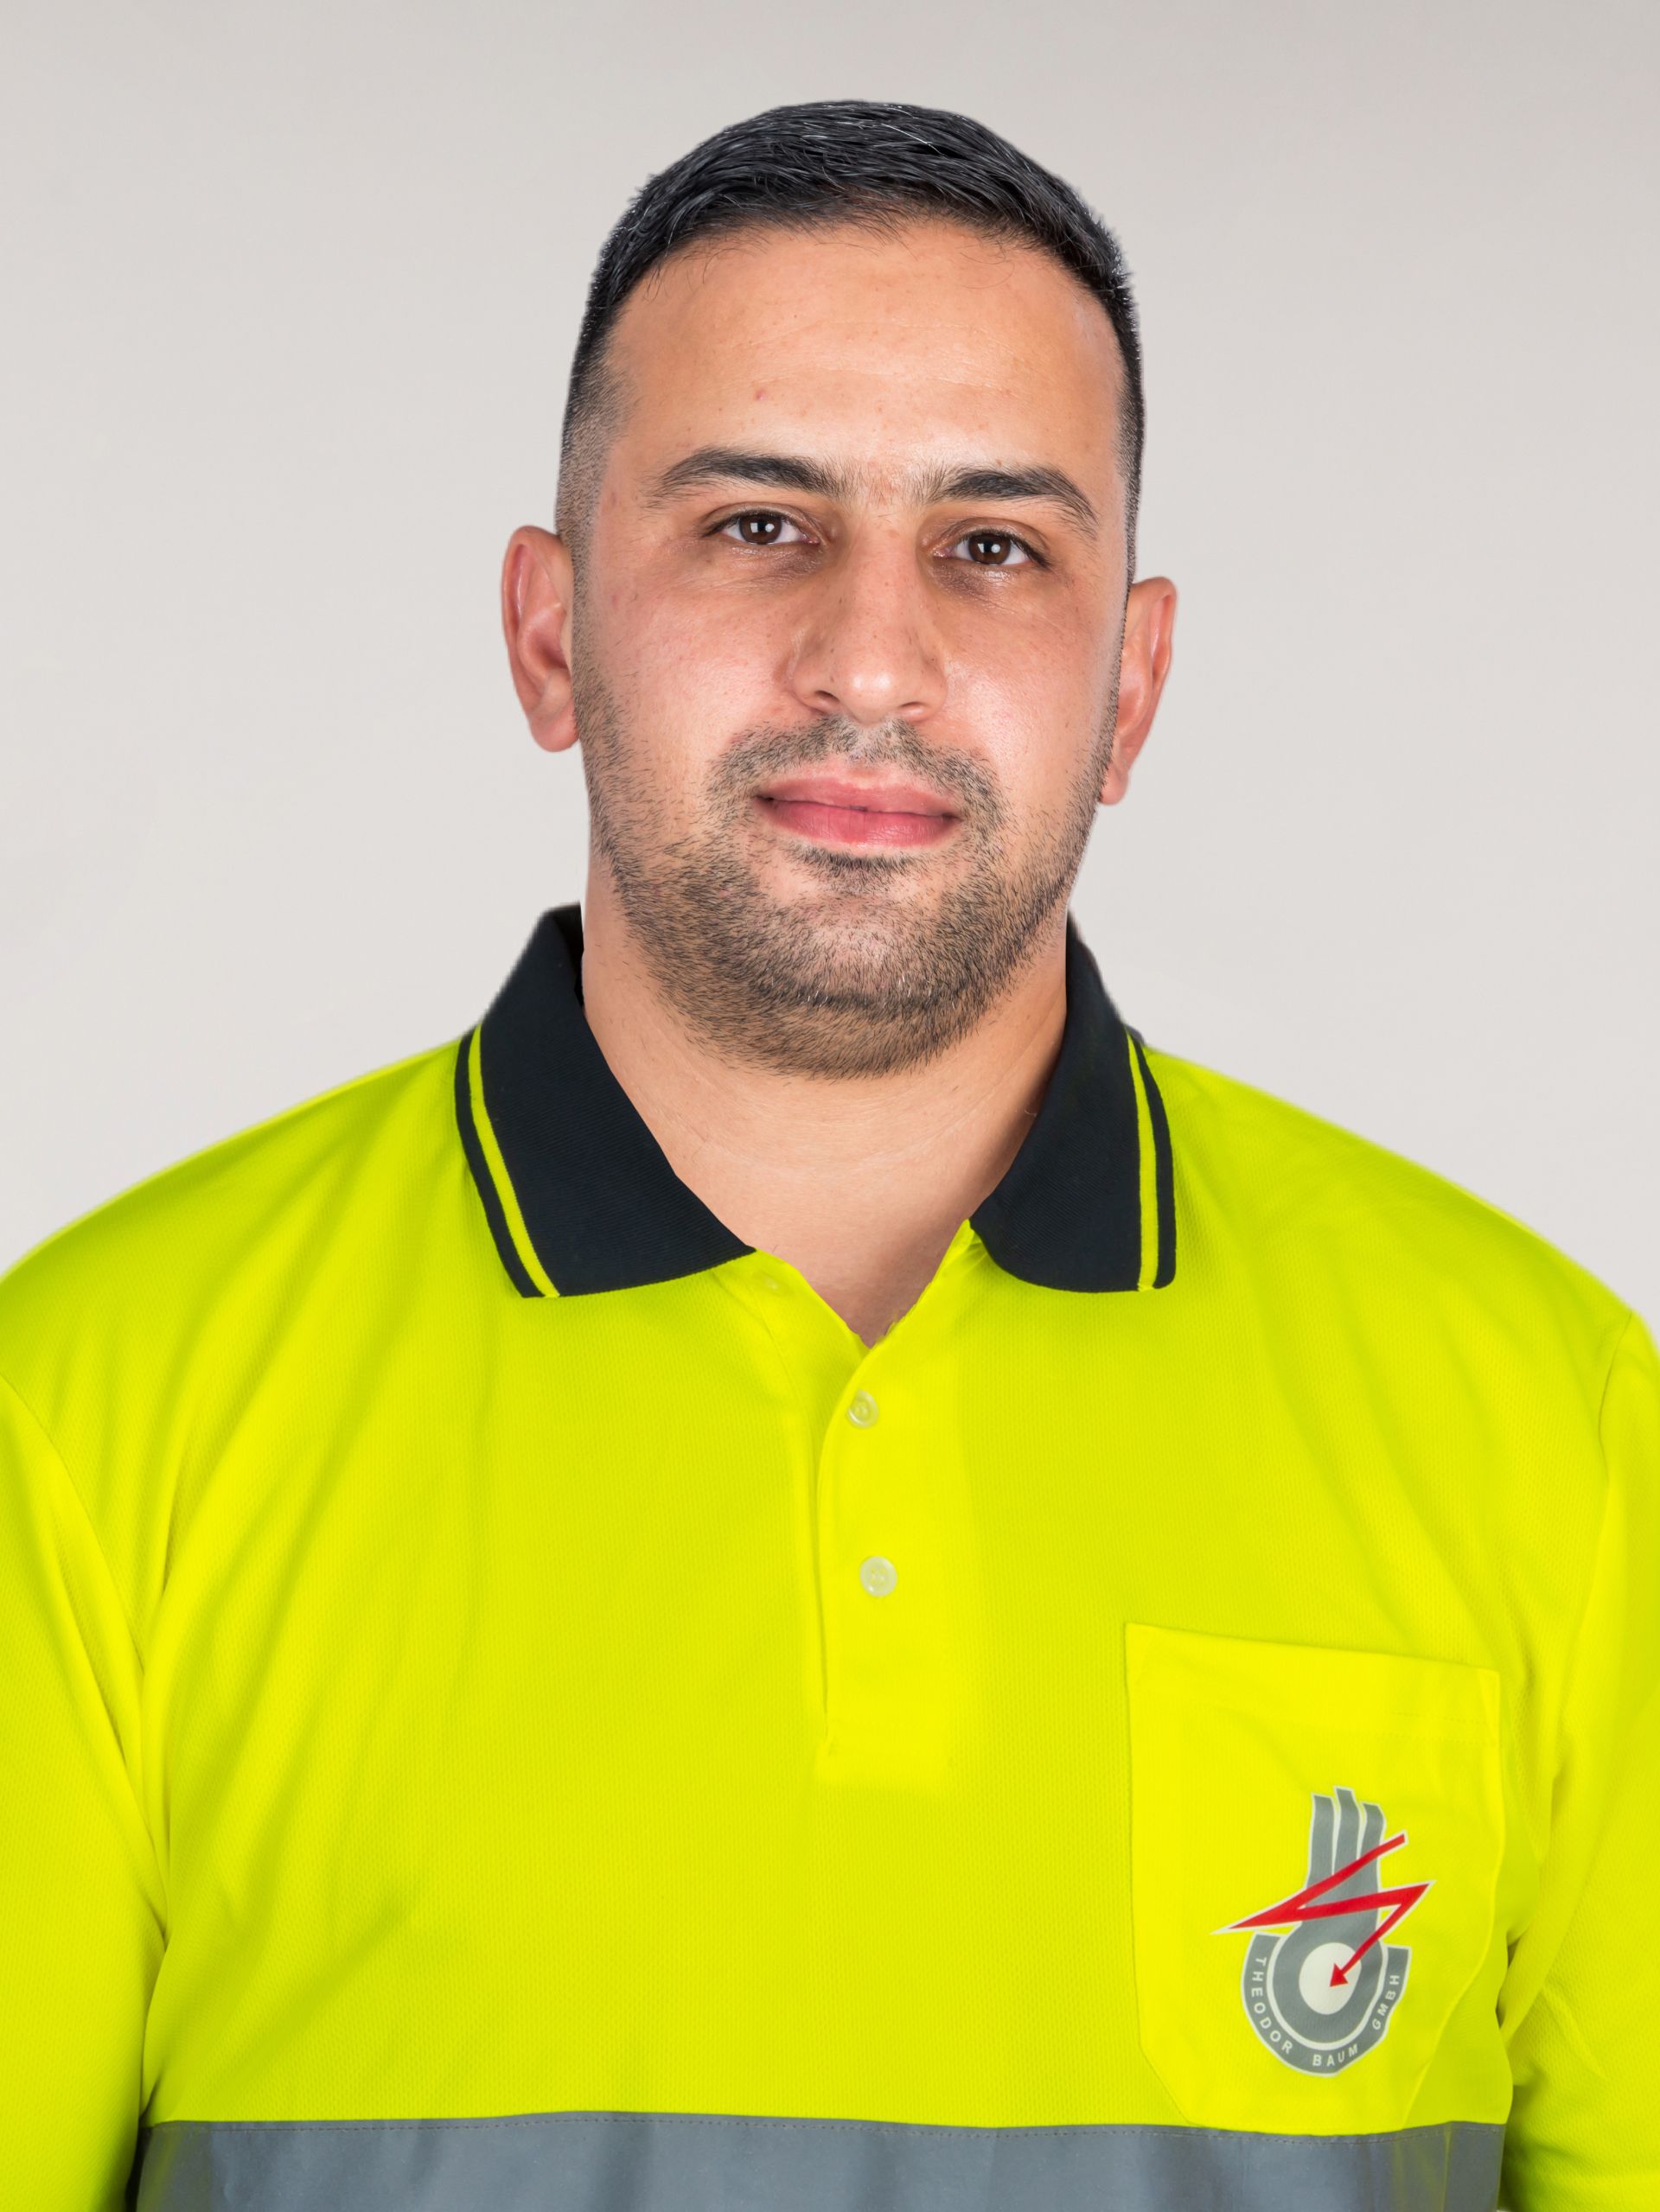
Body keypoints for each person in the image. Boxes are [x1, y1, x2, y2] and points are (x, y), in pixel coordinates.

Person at [0, 99, 1652, 2212]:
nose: (873, 659)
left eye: (995, 546)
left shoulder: (1554, 1427)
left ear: (1132, 684)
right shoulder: (88, 1415)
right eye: (758, 523)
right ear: (550, 633)